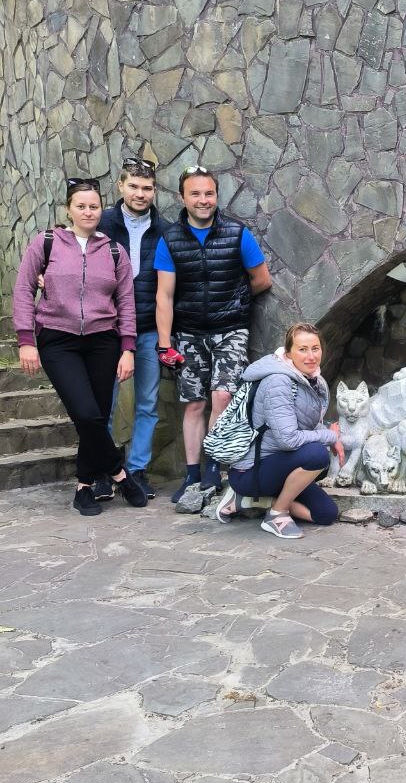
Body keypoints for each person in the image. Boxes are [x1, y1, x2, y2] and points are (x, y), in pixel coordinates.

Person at [12, 177, 148, 515]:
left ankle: (83, 487)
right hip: (57, 339)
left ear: (102, 210)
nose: (88, 212)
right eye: (81, 206)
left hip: (103, 341)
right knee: (85, 413)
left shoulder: (114, 251)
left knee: (96, 416)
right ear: (68, 209)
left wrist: (127, 348)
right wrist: (26, 340)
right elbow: (24, 289)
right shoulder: (46, 242)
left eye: (94, 206)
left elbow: (126, 302)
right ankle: (120, 473)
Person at [154, 166, 272, 502]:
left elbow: (262, 279)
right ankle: (192, 474)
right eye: (195, 194)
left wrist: (236, 301)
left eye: (209, 193)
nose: (203, 200)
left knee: (222, 398)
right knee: (194, 404)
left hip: (230, 330)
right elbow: (164, 295)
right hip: (188, 332)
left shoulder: (237, 234)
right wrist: (164, 343)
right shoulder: (170, 240)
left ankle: (213, 467)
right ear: (183, 198)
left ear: (216, 196)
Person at [215, 323, 344, 539]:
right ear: (288, 353)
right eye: (302, 349)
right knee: (317, 455)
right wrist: (330, 437)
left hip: (281, 468)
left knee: (326, 514)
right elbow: (288, 439)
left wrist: (328, 434)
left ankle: (250, 501)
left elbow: (306, 426)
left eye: (315, 348)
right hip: (251, 471)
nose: (311, 356)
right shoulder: (278, 381)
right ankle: (276, 515)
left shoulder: (313, 380)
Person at [97, 155, 170, 499]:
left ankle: (137, 469)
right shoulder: (102, 223)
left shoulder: (164, 229)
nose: (141, 194)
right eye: (134, 186)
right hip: (107, 328)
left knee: (148, 403)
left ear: (154, 191)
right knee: (104, 403)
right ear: (121, 186)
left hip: (149, 328)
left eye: (148, 188)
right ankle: (102, 468)